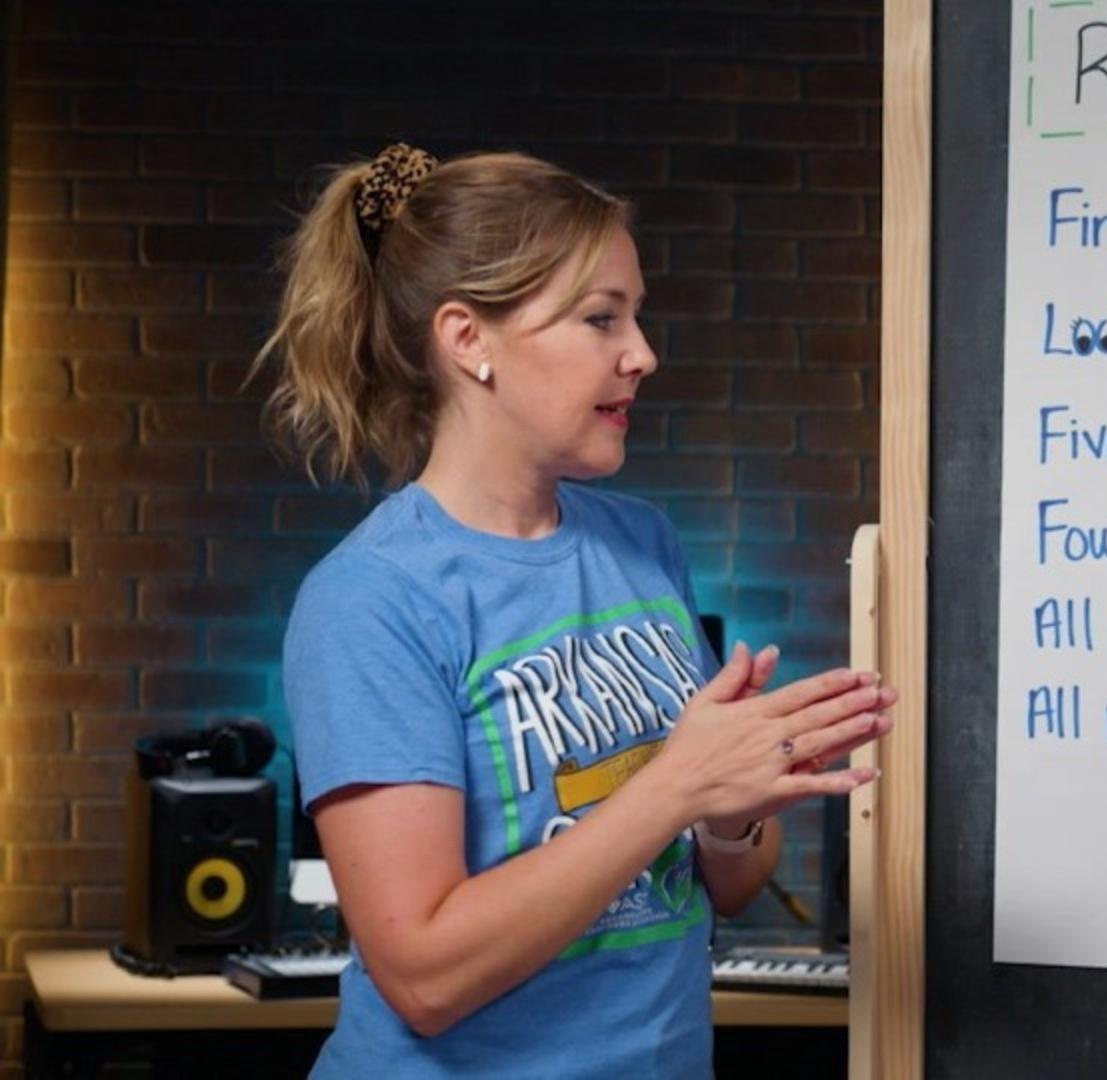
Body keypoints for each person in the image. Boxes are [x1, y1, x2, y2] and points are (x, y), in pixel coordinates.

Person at [250, 143, 893, 1077]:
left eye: (636, 316)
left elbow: (731, 885)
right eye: (601, 319)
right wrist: (675, 785)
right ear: (468, 340)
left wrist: (731, 810)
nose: (643, 353)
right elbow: (425, 978)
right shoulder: (371, 600)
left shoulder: (643, 545)